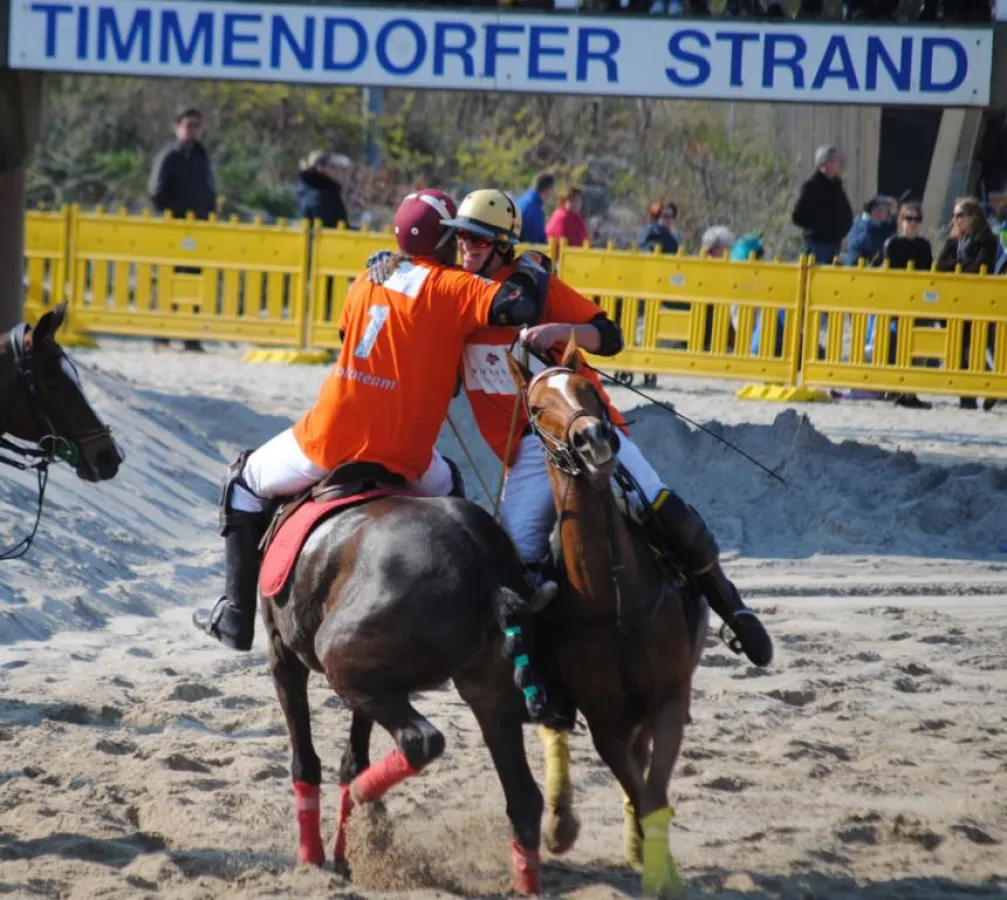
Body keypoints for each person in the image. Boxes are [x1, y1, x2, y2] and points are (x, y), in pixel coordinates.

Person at [192, 189, 561, 723]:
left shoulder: (369, 278)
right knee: (455, 498)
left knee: (242, 482)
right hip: (408, 456)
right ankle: (485, 607)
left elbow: (350, 336)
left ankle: (236, 613)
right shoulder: (453, 285)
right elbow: (518, 306)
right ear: (446, 239)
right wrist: (530, 267)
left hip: (329, 442)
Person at [370, 190, 773, 668]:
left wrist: (563, 333)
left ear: (503, 245)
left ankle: (731, 605)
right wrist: (388, 262)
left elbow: (611, 335)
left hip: (588, 430)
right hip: (525, 454)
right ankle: (532, 673)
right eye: (461, 240)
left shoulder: (535, 287)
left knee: (660, 506)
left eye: (478, 242)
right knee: (513, 566)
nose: (466, 249)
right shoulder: (457, 293)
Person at [936, 197, 1000, 410]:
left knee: (983, 345)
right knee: (961, 347)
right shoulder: (954, 241)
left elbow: (981, 266)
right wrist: (960, 264)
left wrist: (957, 266)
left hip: (981, 300)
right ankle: (968, 395)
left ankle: (993, 387)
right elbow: (940, 265)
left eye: (960, 215)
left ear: (973, 217)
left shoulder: (987, 241)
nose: (955, 220)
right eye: (954, 215)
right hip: (956, 301)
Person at [791, 145, 854, 264]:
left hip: (834, 243)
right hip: (818, 245)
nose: (837, 164)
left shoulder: (836, 185)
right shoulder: (812, 186)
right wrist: (821, 228)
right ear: (824, 163)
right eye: (834, 160)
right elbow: (797, 216)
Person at [294, 150, 350, 229]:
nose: (339, 170)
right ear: (321, 168)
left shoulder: (302, 188)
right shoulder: (324, 196)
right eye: (333, 166)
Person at [517, 172, 555, 245]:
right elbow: (537, 242)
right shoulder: (535, 210)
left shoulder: (523, 200)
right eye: (552, 189)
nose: (553, 194)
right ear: (547, 190)